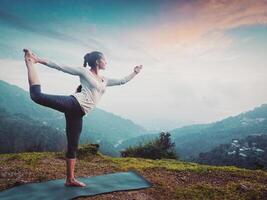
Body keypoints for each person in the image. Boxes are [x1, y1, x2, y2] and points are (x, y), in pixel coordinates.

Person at [23, 48, 143, 187]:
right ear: (98, 61)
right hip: (74, 103)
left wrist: (135, 72)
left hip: (78, 113)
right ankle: (30, 62)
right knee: (37, 96)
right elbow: (61, 67)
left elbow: (122, 81)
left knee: (73, 146)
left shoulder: (105, 80)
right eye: (104, 59)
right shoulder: (84, 72)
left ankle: (70, 179)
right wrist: (38, 60)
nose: (106, 62)